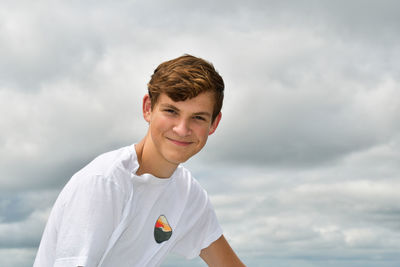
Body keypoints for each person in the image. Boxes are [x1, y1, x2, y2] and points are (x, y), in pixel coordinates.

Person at [34, 54, 245, 267]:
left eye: (198, 117)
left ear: (214, 124)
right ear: (147, 108)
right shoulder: (105, 182)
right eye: (171, 111)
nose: (182, 129)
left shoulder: (188, 194)